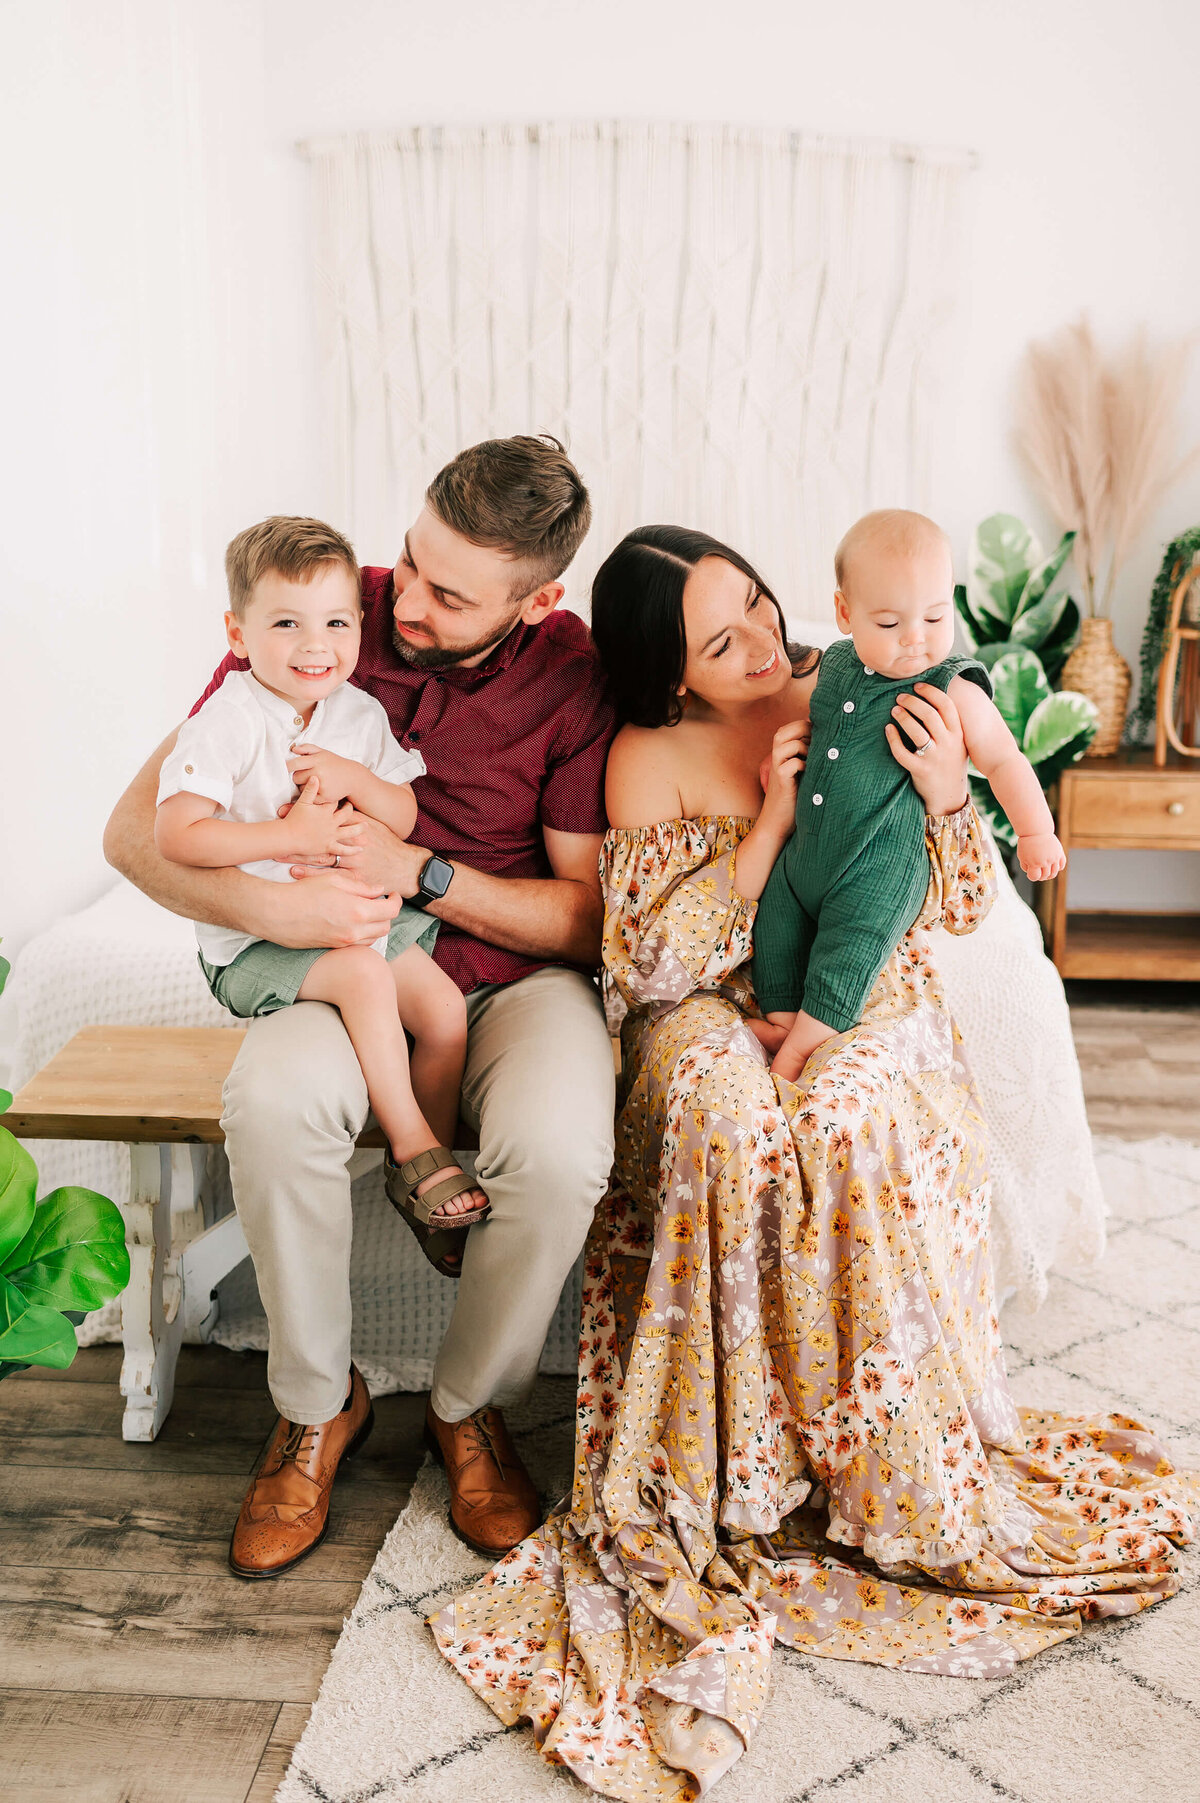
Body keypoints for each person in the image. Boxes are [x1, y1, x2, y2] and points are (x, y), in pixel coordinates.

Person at [430, 525, 1197, 1803]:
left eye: (759, 608)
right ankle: (738, 1478)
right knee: (728, 1119)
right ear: (667, 673)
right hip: (709, 1011)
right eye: (717, 640)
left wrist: (956, 798)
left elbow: (952, 907)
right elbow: (653, 966)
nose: (759, 643)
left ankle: (877, 1474)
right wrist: (776, 817)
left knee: (847, 1120)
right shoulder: (648, 759)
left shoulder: (873, 691)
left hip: (868, 994)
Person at [104, 436, 618, 1574]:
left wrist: (425, 873)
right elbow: (136, 833)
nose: (408, 604)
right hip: (343, 959)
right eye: (411, 561)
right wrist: (278, 914)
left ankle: (468, 1406)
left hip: (511, 980)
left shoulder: (574, 680)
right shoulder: (325, 612)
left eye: (448, 591)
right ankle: (314, 1405)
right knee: (276, 1100)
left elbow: (586, 919)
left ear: (538, 602)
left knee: (566, 1144)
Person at [156, 516, 491, 1288]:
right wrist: (285, 840)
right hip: (257, 943)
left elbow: (404, 818)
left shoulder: (356, 714)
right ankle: (414, 1146)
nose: (317, 646)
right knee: (366, 977)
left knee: (443, 1014)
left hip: (357, 916)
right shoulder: (230, 719)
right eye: (286, 624)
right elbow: (177, 834)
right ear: (239, 634)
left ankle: (419, 1186)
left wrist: (354, 778)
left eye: (336, 622)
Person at [753, 508, 1066, 1082]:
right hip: (807, 856)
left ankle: (801, 1045)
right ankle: (780, 1015)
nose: (917, 639)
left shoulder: (952, 686)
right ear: (845, 614)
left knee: (847, 952)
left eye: (935, 615)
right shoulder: (836, 666)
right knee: (774, 923)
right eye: (891, 623)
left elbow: (1002, 759)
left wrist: (1036, 831)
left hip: (879, 870)